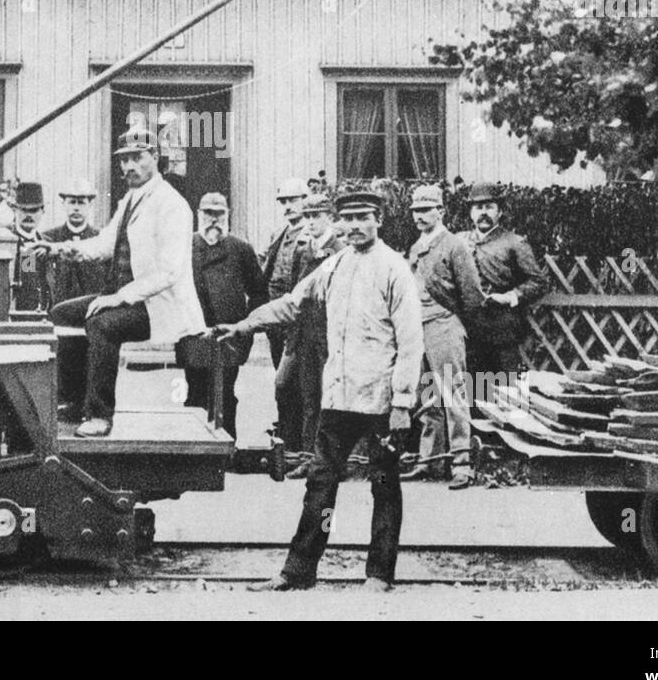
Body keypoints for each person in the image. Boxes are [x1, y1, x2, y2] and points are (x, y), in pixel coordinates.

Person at [215, 189, 424, 592]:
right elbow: (291, 303)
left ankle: (379, 574)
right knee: (320, 486)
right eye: (348, 219)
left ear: (378, 219)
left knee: (383, 486)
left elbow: (411, 341)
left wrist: (402, 402)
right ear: (339, 222)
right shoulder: (334, 266)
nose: (355, 226)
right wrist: (243, 325)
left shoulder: (394, 268)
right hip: (338, 399)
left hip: (380, 400)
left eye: (364, 217)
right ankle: (299, 572)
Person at [44, 129, 205, 437]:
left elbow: (168, 272)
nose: (129, 166)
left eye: (137, 158)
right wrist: (57, 249)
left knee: (102, 324)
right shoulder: (131, 199)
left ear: (155, 159)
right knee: (62, 314)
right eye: (124, 160)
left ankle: (101, 415)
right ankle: (74, 401)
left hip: (162, 306)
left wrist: (119, 298)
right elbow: (104, 244)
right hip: (134, 299)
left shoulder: (172, 204)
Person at [406, 184, 485, 490]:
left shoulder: (454, 246)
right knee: (428, 396)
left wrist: (460, 326)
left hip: (445, 324)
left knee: (453, 394)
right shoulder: (415, 246)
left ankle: (461, 463)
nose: (420, 216)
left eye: (426, 210)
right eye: (416, 211)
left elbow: (473, 296)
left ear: (441, 211)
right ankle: (430, 460)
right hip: (419, 328)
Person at [187, 192, 268, 440]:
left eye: (219, 214)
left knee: (225, 391)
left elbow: (258, 292)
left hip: (230, 334)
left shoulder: (240, 248)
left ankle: (227, 449)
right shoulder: (184, 245)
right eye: (208, 214)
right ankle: (194, 449)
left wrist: (246, 327)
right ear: (199, 215)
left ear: (227, 216)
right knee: (196, 390)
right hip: (193, 331)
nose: (214, 220)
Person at [278, 192, 347, 477]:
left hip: (330, 333)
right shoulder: (302, 250)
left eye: (316, 216)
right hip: (304, 334)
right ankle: (309, 456)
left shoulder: (341, 249)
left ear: (330, 218)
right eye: (307, 216)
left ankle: (332, 460)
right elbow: (296, 289)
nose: (310, 222)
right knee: (308, 396)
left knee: (330, 398)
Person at [456, 181, 549, 389]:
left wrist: (509, 296)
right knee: (473, 391)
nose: (484, 213)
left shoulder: (515, 242)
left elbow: (539, 282)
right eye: (478, 207)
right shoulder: (459, 241)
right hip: (468, 328)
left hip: (502, 328)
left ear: (500, 211)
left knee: (506, 391)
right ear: (471, 212)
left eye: (490, 207)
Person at [39, 179, 104, 418]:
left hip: (90, 315)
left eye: (81, 202)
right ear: (64, 205)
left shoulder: (101, 239)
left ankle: (88, 408)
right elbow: (30, 271)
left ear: (90, 206)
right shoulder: (48, 238)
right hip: (58, 316)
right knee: (61, 362)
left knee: (91, 361)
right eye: (72, 202)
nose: (76, 208)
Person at [260, 177, 309, 444]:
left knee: (295, 378)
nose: (288, 206)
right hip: (275, 317)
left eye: (293, 200)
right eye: (284, 202)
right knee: (280, 374)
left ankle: (298, 436)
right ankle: (285, 428)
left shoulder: (310, 235)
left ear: (305, 200)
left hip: (297, 317)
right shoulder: (278, 233)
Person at [10, 182, 47, 312]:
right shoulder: (7, 243)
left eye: (34, 210)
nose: (29, 215)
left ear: (43, 210)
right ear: (15, 210)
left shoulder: (47, 243)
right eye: (24, 210)